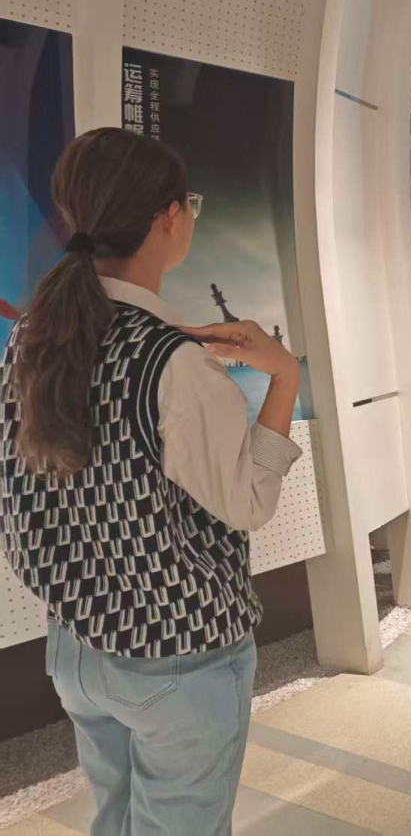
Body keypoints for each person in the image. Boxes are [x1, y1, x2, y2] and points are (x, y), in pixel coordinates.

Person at [1, 129, 303, 834]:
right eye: (188, 204)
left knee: (114, 817)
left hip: (76, 640)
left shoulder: (30, 338)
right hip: (177, 650)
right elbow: (248, 502)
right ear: (168, 217)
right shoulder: (175, 362)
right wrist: (284, 375)